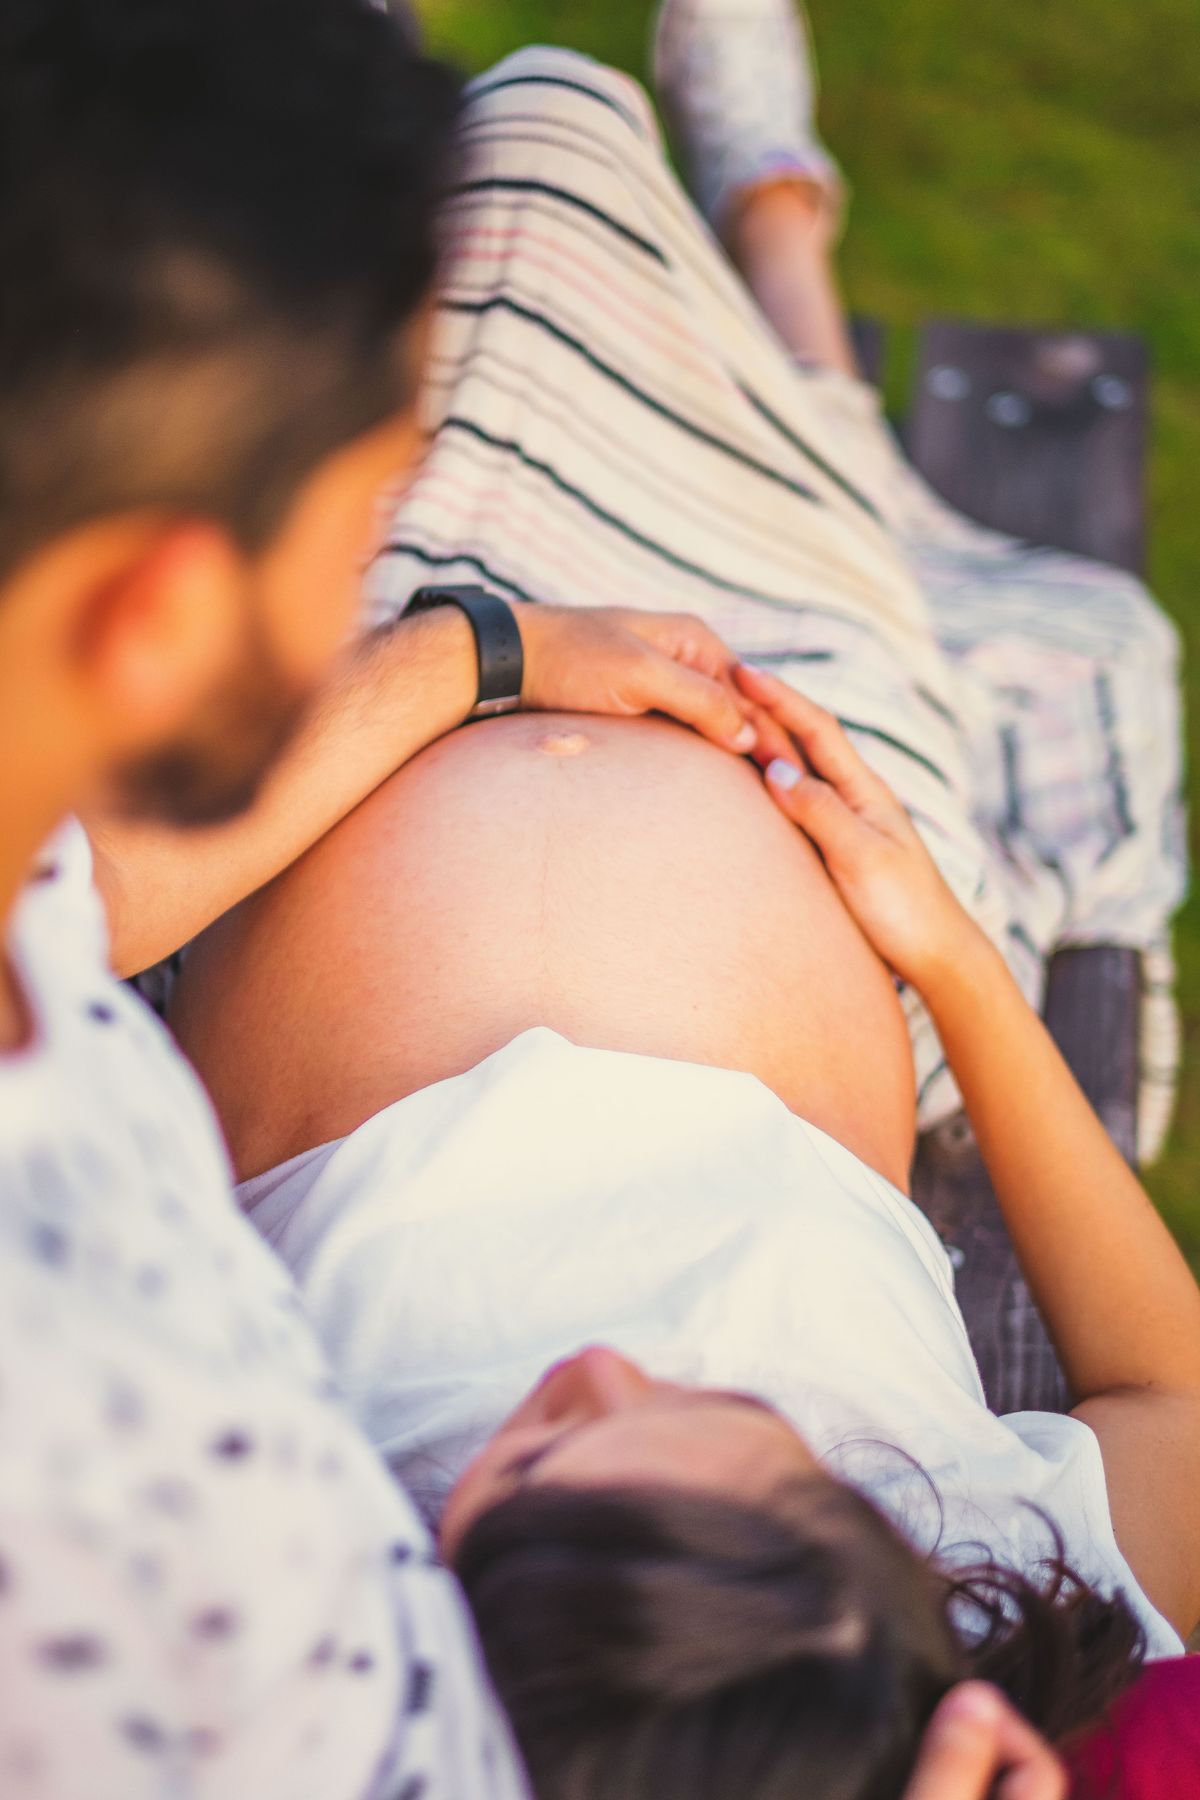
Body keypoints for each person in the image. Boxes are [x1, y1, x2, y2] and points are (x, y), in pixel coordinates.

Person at [165, 5, 1200, 1798]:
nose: (596, 1362)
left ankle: (516, 137)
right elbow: (1174, 1400)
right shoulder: (963, 1576)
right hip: (798, 742)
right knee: (584, 217)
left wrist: (471, 658)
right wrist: (952, 960)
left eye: (525, 1456)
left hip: (362, 687)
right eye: (738, 1423)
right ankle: (775, 223)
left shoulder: (266, 1607)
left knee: (535, 149)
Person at [0, 2, 783, 1794]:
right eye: (370, 513)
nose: (384, 560)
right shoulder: (92, 1509)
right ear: (153, 613)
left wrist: (468, 656)